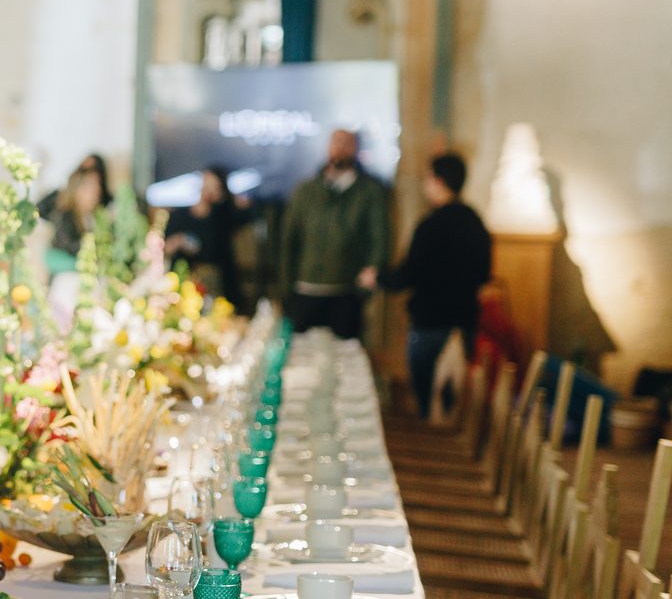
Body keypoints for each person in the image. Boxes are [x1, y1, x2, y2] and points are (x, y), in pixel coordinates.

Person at [361, 153, 491, 418]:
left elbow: (409, 274)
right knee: (454, 407)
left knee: (427, 406)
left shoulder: (430, 226)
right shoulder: (475, 223)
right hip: (464, 325)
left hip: (430, 325)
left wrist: (377, 278)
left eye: (428, 179)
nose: (425, 185)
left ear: (439, 181)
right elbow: (483, 274)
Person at [280, 129, 390, 339]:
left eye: (346, 143)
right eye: (336, 142)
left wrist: (366, 283)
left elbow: (379, 238)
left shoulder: (369, 192)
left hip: (345, 291)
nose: (340, 148)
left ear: (355, 149)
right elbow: (288, 240)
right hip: (306, 289)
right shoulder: (306, 191)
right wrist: (286, 286)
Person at [164, 165, 253, 308]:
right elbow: (167, 248)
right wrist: (179, 241)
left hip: (217, 286)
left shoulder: (222, 216)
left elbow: (248, 214)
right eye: (207, 182)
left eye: (216, 186)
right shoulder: (179, 216)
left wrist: (228, 199)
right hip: (184, 283)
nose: (209, 189)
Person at [37, 154, 111, 276]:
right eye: (90, 187)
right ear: (78, 190)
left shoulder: (96, 217)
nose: (96, 191)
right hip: (67, 277)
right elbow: (73, 248)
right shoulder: (65, 216)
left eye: (98, 186)